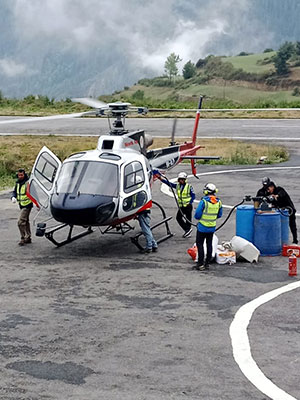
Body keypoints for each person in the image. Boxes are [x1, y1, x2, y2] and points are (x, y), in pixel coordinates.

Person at [194, 183, 222, 271]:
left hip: (202, 227)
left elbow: (197, 215)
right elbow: (219, 215)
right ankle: (207, 263)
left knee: (200, 244)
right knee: (209, 244)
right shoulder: (218, 202)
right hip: (212, 227)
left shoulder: (204, 201)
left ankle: (200, 263)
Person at [157, 171, 195, 238]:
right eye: (180, 179)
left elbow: (193, 195)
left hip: (188, 206)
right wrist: (161, 179)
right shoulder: (177, 186)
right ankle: (187, 229)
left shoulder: (189, 187)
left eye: (183, 179)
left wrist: (190, 202)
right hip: (181, 206)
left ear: (185, 180)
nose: (181, 181)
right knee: (178, 218)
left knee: (188, 219)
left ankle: (187, 231)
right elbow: (169, 184)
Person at [11, 168, 33, 246]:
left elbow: (33, 193)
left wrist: (37, 204)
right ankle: (28, 237)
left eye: (21, 175)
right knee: (26, 221)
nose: (20, 176)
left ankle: (23, 238)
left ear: (24, 175)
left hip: (27, 205)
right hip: (21, 204)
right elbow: (14, 192)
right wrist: (13, 197)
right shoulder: (17, 183)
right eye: (19, 175)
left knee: (20, 222)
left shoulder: (27, 183)